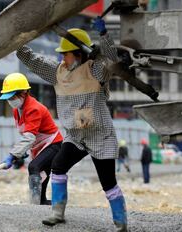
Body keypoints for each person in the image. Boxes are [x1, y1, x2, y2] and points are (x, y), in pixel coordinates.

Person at [16, 18, 128, 231]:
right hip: (75, 136)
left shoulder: (95, 71)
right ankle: (57, 213)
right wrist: (17, 46)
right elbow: (34, 61)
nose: (62, 57)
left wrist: (104, 36)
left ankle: (121, 223)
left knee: (108, 183)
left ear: (79, 53)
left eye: (65, 54)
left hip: (99, 135)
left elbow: (112, 62)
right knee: (58, 166)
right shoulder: (58, 73)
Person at [0, 72, 63, 205]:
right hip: (39, 146)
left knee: (34, 167)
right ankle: (43, 203)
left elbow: (29, 136)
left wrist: (12, 155)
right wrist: (20, 153)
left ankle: (33, 205)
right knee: (40, 174)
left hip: (53, 144)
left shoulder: (34, 108)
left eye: (12, 97)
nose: (10, 101)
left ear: (23, 92)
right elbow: (27, 134)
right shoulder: (17, 110)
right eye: (8, 98)